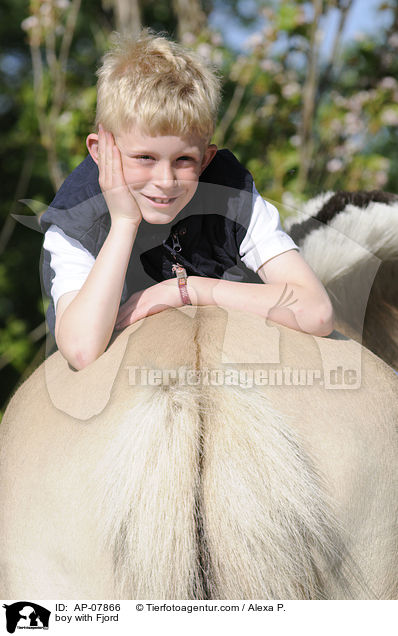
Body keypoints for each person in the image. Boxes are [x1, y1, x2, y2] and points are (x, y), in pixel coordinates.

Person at [40, 29, 334, 371]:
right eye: (144, 158)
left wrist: (185, 290)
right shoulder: (76, 216)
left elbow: (317, 311)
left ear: (206, 159)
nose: (165, 182)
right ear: (101, 151)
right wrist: (123, 222)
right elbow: (80, 350)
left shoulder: (232, 192)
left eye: (184, 161)